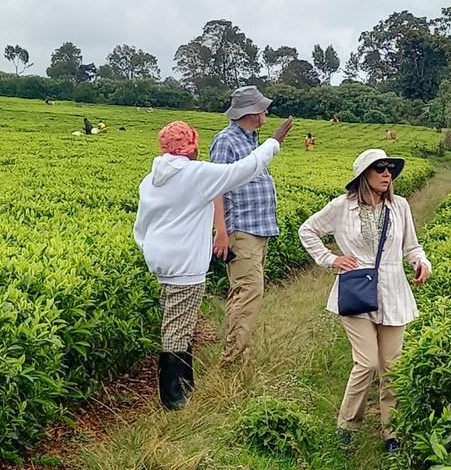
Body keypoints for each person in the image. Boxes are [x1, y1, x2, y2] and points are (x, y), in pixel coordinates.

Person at [134, 117, 293, 410]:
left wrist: (152, 251)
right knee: (177, 326)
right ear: (191, 148)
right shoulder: (195, 174)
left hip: (161, 260)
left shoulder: (151, 179)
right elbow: (241, 170)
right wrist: (273, 142)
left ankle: (185, 381)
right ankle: (172, 397)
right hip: (185, 263)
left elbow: (141, 226)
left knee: (180, 318)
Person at [297, 149, 431, 454]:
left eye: (389, 170)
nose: (387, 174)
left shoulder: (400, 207)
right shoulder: (342, 207)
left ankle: (391, 433)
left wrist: (421, 263)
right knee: (366, 362)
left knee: (391, 367)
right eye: (379, 169)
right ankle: (346, 425)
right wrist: (331, 259)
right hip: (357, 293)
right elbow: (308, 231)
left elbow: (412, 247)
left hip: (394, 294)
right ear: (363, 176)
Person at [211, 85, 283, 366]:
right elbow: (215, 187)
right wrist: (221, 232)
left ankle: (237, 350)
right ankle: (231, 358)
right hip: (241, 229)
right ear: (251, 113)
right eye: (262, 107)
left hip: (258, 229)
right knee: (248, 291)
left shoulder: (252, 139)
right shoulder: (226, 140)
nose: (266, 111)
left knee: (247, 291)